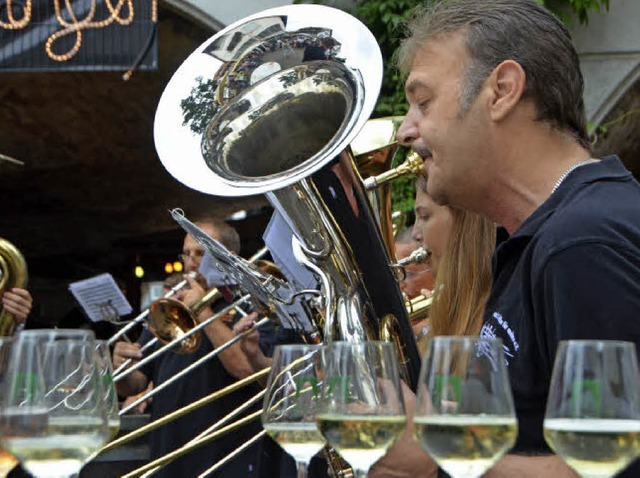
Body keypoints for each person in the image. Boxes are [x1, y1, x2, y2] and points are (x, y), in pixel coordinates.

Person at [397, 0, 640, 476]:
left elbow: (612, 469)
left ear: (502, 91)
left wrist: (434, 461)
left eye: (423, 103)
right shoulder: (556, 234)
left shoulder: (583, 242)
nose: (407, 129)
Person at [113, 219, 273, 477]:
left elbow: (247, 371)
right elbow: (136, 384)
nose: (191, 261)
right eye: (186, 254)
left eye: (200, 253)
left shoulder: (253, 306)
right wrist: (121, 366)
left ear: (228, 258)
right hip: (168, 457)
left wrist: (202, 310)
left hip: (227, 460)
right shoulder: (169, 308)